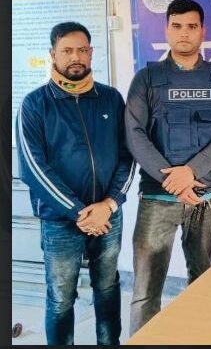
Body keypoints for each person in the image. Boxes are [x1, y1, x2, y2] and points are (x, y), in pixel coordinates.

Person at [125, 0, 211, 334]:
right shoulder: (147, 79)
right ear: (166, 30)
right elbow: (134, 134)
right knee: (146, 291)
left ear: (203, 31)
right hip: (157, 198)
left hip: (204, 196)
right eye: (177, 26)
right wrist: (173, 180)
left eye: (192, 26)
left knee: (201, 280)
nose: (184, 33)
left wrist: (190, 171)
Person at [16, 22, 134, 345]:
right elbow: (33, 169)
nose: (75, 57)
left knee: (108, 288)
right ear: (52, 54)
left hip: (108, 216)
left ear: (91, 53)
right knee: (61, 298)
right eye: (67, 51)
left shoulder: (110, 99)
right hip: (61, 221)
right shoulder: (35, 104)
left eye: (82, 50)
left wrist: (109, 204)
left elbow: (128, 156)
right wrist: (80, 212)